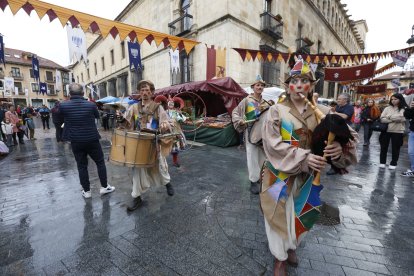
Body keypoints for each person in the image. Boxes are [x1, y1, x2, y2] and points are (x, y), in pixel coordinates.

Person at [260, 59, 358, 275]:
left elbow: (348, 140)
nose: (298, 85)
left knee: (303, 213)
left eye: (304, 80)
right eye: (294, 80)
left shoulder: (323, 112)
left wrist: (339, 152)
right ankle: (280, 257)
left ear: (311, 85)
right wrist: (303, 158)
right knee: (276, 215)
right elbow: (272, 144)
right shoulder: (276, 111)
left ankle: (292, 246)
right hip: (278, 175)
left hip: (308, 179)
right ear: (288, 85)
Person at [123, 80, 174, 211]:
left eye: (147, 90)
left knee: (160, 167)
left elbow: (167, 122)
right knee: (137, 171)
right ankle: (137, 197)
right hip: (138, 144)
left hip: (154, 143)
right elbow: (127, 123)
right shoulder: (133, 107)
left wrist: (165, 125)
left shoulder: (158, 107)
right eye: (142, 90)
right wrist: (121, 121)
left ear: (151, 92)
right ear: (139, 92)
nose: (145, 93)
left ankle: (167, 183)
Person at [59, 83, 115, 198]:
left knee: (81, 166)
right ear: (83, 93)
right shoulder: (91, 105)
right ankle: (104, 187)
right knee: (100, 162)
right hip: (92, 139)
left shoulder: (63, 106)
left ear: (69, 94)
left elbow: (61, 117)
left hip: (76, 140)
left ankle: (87, 191)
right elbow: (96, 117)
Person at [232, 75, 272, 194]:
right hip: (251, 131)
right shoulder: (247, 100)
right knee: (252, 156)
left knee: (263, 157)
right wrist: (239, 120)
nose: (260, 87)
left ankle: (260, 178)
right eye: (257, 85)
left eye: (261, 85)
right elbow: (235, 112)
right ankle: (253, 181)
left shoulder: (266, 103)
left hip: (263, 134)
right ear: (253, 87)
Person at [326, 93, 355, 175]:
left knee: (339, 149)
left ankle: (336, 167)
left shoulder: (349, 107)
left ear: (345, 100)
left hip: (344, 131)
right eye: (337, 99)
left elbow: (345, 116)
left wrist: (333, 113)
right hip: (335, 129)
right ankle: (335, 166)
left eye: (339, 99)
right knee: (333, 148)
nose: (337, 100)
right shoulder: (338, 107)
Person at [379, 93, 407, 170]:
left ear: (400, 99)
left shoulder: (404, 108)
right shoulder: (387, 108)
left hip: (398, 131)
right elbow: (382, 119)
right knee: (383, 147)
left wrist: (388, 117)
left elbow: (402, 118)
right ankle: (382, 162)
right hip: (386, 130)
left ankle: (393, 163)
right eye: (392, 99)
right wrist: (395, 118)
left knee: (396, 148)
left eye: (395, 99)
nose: (393, 101)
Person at [402, 99, 414, 177]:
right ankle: (413, 170)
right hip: (413, 132)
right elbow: (407, 116)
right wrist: (410, 107)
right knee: (411, 152)